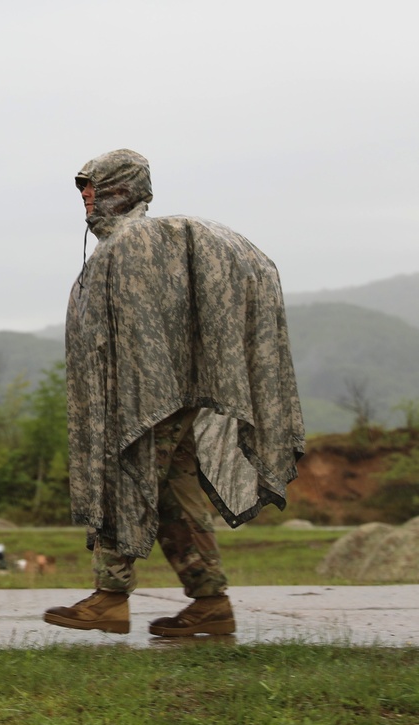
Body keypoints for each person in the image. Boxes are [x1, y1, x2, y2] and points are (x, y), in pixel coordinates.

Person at [44, 149, 304, 637]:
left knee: (128, 473)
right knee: (172, 491)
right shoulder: (134, 246)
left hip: (151, 395)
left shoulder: (136, 246)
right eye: (80, 185)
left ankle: (109, 596)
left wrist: (142, 392)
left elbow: (143, 332)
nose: (84, 194)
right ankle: (210, 601)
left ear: (120, 187)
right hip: (169, 390)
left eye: (92, 184)